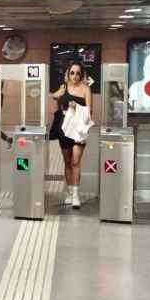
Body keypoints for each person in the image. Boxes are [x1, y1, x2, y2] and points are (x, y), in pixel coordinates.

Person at [50, 62, 93, 209]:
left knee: (76, 161)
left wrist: (77, 108)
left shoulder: (85, 89)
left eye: (78, 73)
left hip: (79, 129)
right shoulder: (64, 87)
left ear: (82, 75)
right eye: (72, 73)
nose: (75, 76)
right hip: (64, 127)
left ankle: (75, 195)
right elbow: (56, 108)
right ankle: (69, 193)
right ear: (68, 74)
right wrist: (55, 97)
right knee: (67, 162)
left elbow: (89, 112)